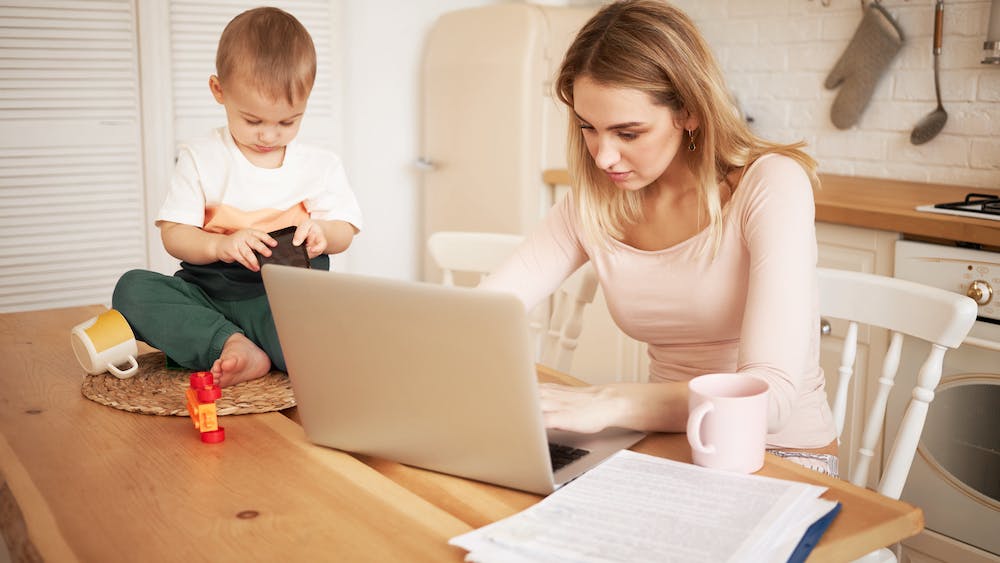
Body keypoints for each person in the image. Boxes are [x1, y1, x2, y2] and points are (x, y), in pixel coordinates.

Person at [480, 0, 838, 475]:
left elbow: (769, 398)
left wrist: (607, 403)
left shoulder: (770, 184)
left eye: (628, 132)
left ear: (688, 112)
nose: (604, 156)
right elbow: (484, 312)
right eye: (589, 128)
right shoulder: (597, 200)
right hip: (664, 445)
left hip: (777, 455)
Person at [113, 7, 362, 388]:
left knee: (328, 346)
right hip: (207, 293)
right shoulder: (201, 157)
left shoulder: (320, 165)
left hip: (281, 301)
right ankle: (231, 342)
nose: (269, 136)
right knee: (132, 289)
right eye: (253, 120)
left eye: (287, 122)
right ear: (219, 91)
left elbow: (345, 229)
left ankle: (241, 344)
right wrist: (220, 245)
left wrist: (325, 234)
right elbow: (174, 235)